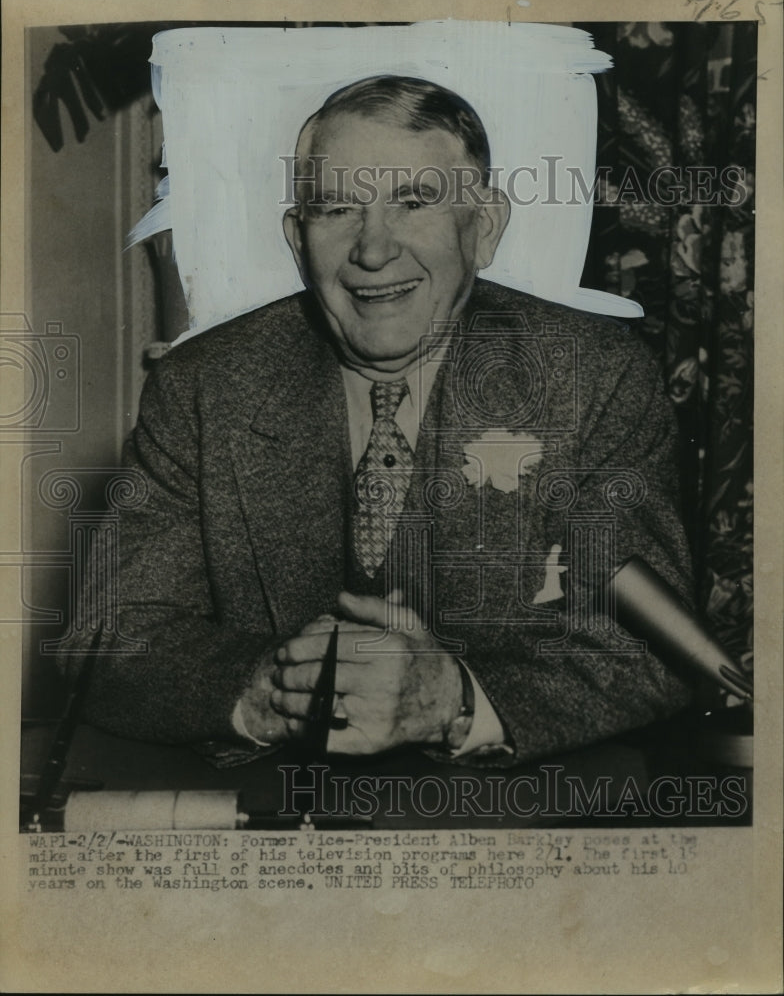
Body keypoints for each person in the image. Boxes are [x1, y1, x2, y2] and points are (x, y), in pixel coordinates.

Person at [59, 75, 693, 764]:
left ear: (483, 228)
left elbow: (656, 647)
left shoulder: (595, 374)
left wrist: (451, 700)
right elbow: (106, 639)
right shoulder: (202, 386)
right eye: (335, 209)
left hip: (517, 828)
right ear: (297, 239)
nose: (372, 250)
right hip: (271, 831)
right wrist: (278, 689)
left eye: (413, 202)